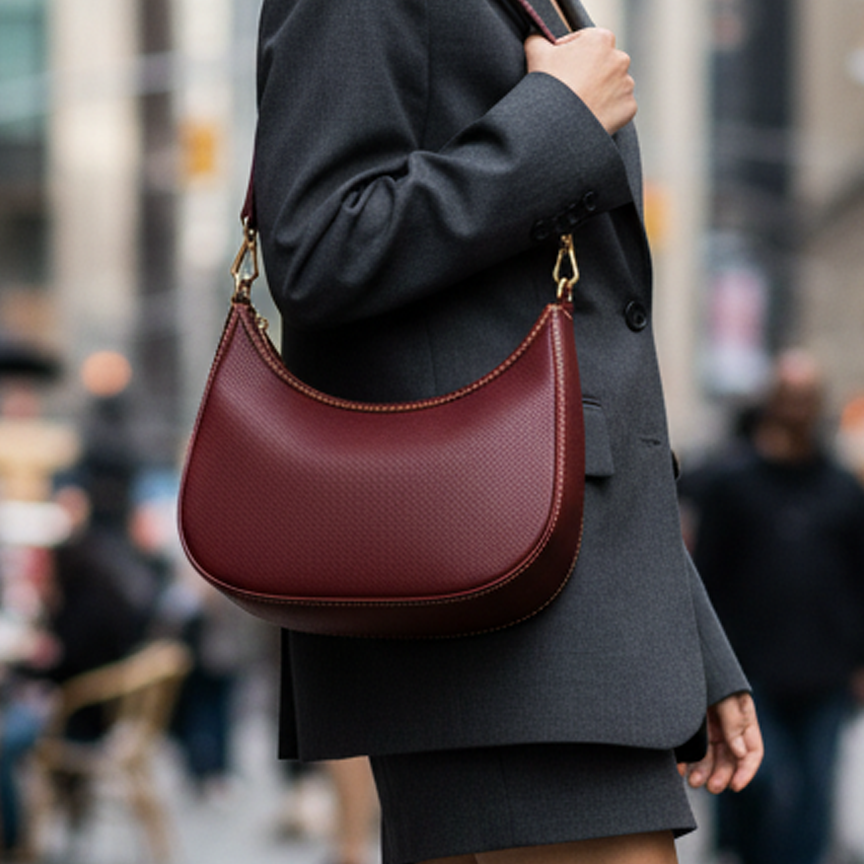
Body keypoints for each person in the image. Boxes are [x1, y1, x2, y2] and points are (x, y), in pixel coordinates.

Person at [252, 1, 763, 863]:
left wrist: (685, 633)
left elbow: (582, 364)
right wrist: (557, 122)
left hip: (558, 599)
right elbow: (319, 245)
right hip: (486, 604)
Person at [687, 350, 864, 864]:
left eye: (806, 397)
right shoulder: (732, 485)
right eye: (788, 396)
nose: (796, 408)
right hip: (751, 672)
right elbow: (706, 579)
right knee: (760, 785)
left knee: (813, 798)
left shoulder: (843, 489)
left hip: (826, 673)